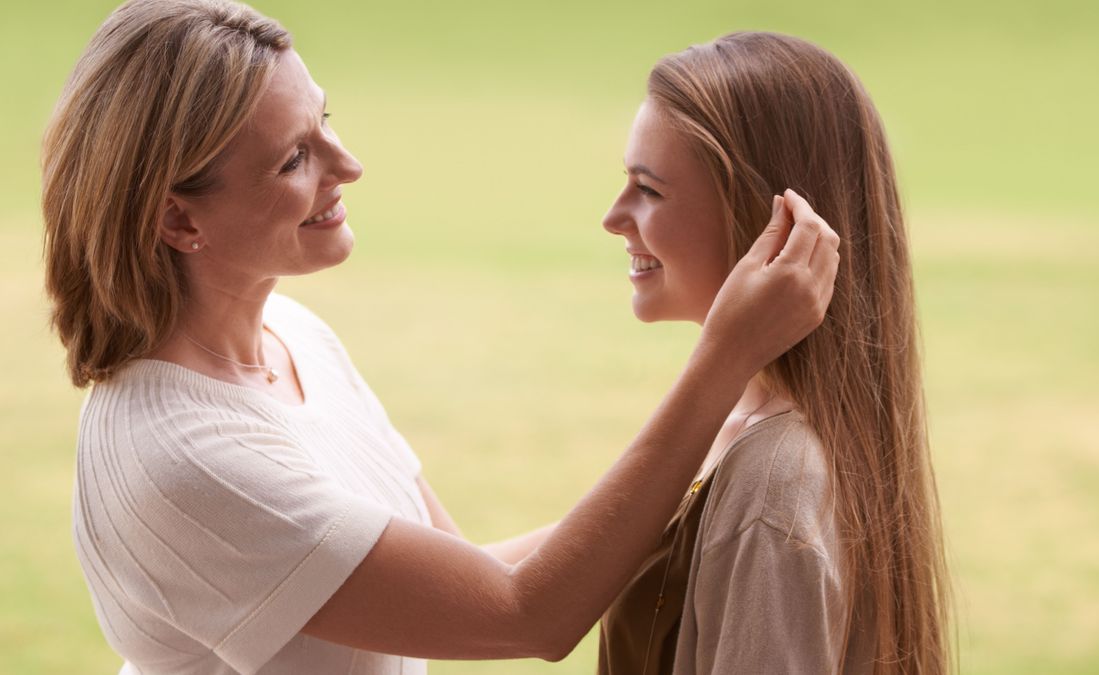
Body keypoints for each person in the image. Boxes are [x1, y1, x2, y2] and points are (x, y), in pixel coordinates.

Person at [42, 2, 840, 674]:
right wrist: (723, 362)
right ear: (179, 219)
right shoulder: (182, 458)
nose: (347, 164)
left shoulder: (295, 338)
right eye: (294, 159)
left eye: (324, 120)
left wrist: (715, 453)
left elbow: (484, 570)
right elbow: (525, 615)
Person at [596, 32, 951, 674]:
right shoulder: (753, 433)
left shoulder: (775, 481)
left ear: (769, 223)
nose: (615, 217)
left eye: (648, 189)